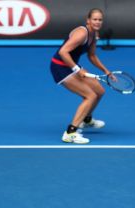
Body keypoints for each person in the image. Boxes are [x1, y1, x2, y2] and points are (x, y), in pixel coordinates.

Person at [50, 8, 116, 144]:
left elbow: (91, 55)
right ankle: (70, 132)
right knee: (89, 96)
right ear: (88, 20)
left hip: (72, 66)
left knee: (99, 91)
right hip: (60, 67)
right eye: (95, 19)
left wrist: (106, 71)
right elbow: (63, 52)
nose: (97, 22)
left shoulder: (94, 35)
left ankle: (86, 120)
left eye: (100, 19)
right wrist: (76, 69)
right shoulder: (81, 33)